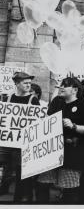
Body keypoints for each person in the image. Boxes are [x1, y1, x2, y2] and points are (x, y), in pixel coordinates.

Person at [36, 77, 84, 203]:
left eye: (65, 85)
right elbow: (47, 119)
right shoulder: (57, 102)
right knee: (42, 184)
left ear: (74, 90)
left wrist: (74, 126)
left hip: (71, 156)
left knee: (70, 189)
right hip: (51, 152)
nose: (61, 87)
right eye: (61, 85)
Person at [3, 72, 40, 202]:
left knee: (22, 175)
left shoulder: (33, 100)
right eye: (25, 83)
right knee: (4, 171)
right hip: (7, 143)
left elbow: (37, 121)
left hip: (23, 145)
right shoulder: (7, 99)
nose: (28, 85)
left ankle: (22, 200)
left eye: (29, 83)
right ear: (17, 84)